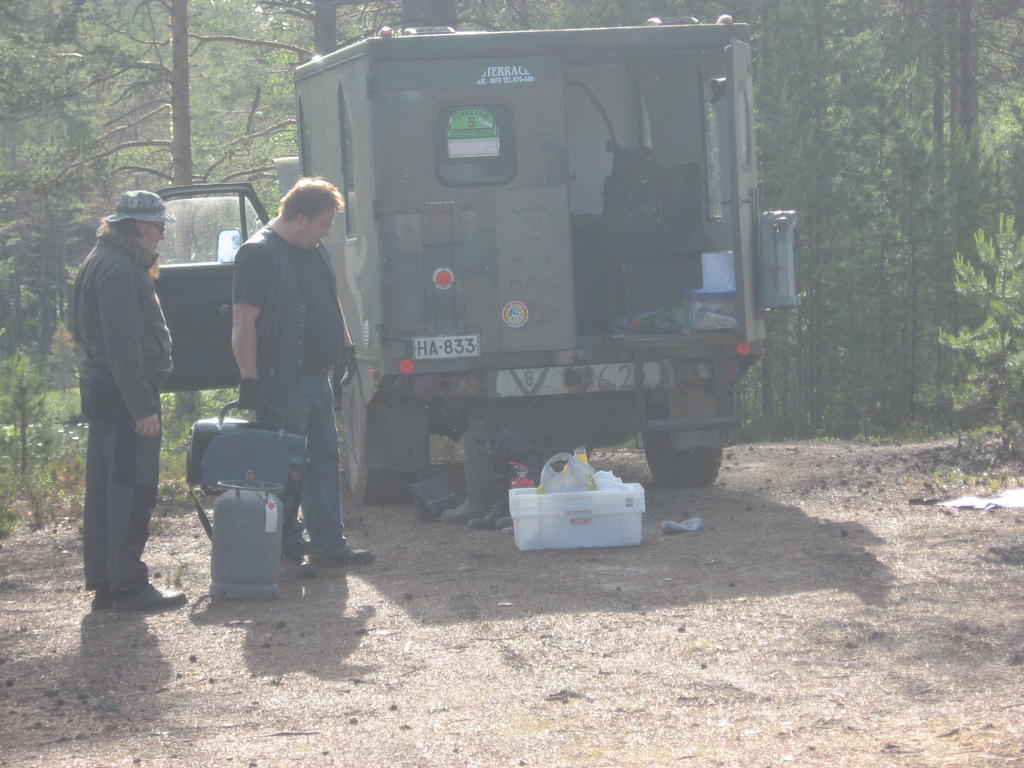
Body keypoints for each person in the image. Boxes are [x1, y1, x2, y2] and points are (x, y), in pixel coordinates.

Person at [231, 177, 373, 573]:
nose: (326, 232)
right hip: (282, 379)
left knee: (325, 460)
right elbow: (243, 321)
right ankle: (285, 546)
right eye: (323, 224)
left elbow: (330, 300)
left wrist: (345, 346)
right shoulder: (258, 254)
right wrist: (250, 379)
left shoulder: (315, 250)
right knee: (285, 468)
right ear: (298, 217)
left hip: (316, 377)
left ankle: (329, 544)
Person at [71, 190, 186, 612]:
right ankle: (128, 585)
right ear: (137, 227)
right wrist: (142, 408)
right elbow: (123, 348)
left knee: (105, 490)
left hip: (106, 390)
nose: (161, 234)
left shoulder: (104, 260)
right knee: (131, 489)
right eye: (157, 226)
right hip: (123, 396)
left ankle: (107, 582)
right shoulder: (119, 270)